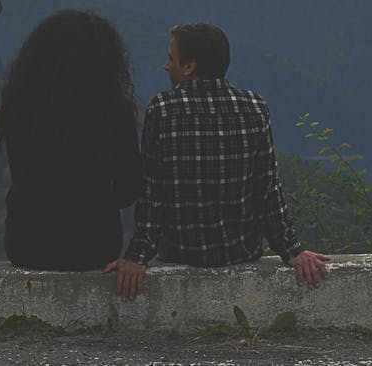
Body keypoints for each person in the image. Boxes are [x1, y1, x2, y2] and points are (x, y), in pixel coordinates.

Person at [105, 22, 329, 300]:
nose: (166, 66)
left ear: (189, 67)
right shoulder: (255, 108)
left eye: (170, 58)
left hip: (181, 252)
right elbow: (267, 190)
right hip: (242, 253)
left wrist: (136, 257)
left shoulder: (162, 110)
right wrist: (292, 250)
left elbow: (153, 194)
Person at [0, 9, 142, 270]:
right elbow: (129, 188)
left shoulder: (20, 107)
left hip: (27, 242)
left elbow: (19, 173)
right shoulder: (115, 112)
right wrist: (95, 198)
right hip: (93, 244)